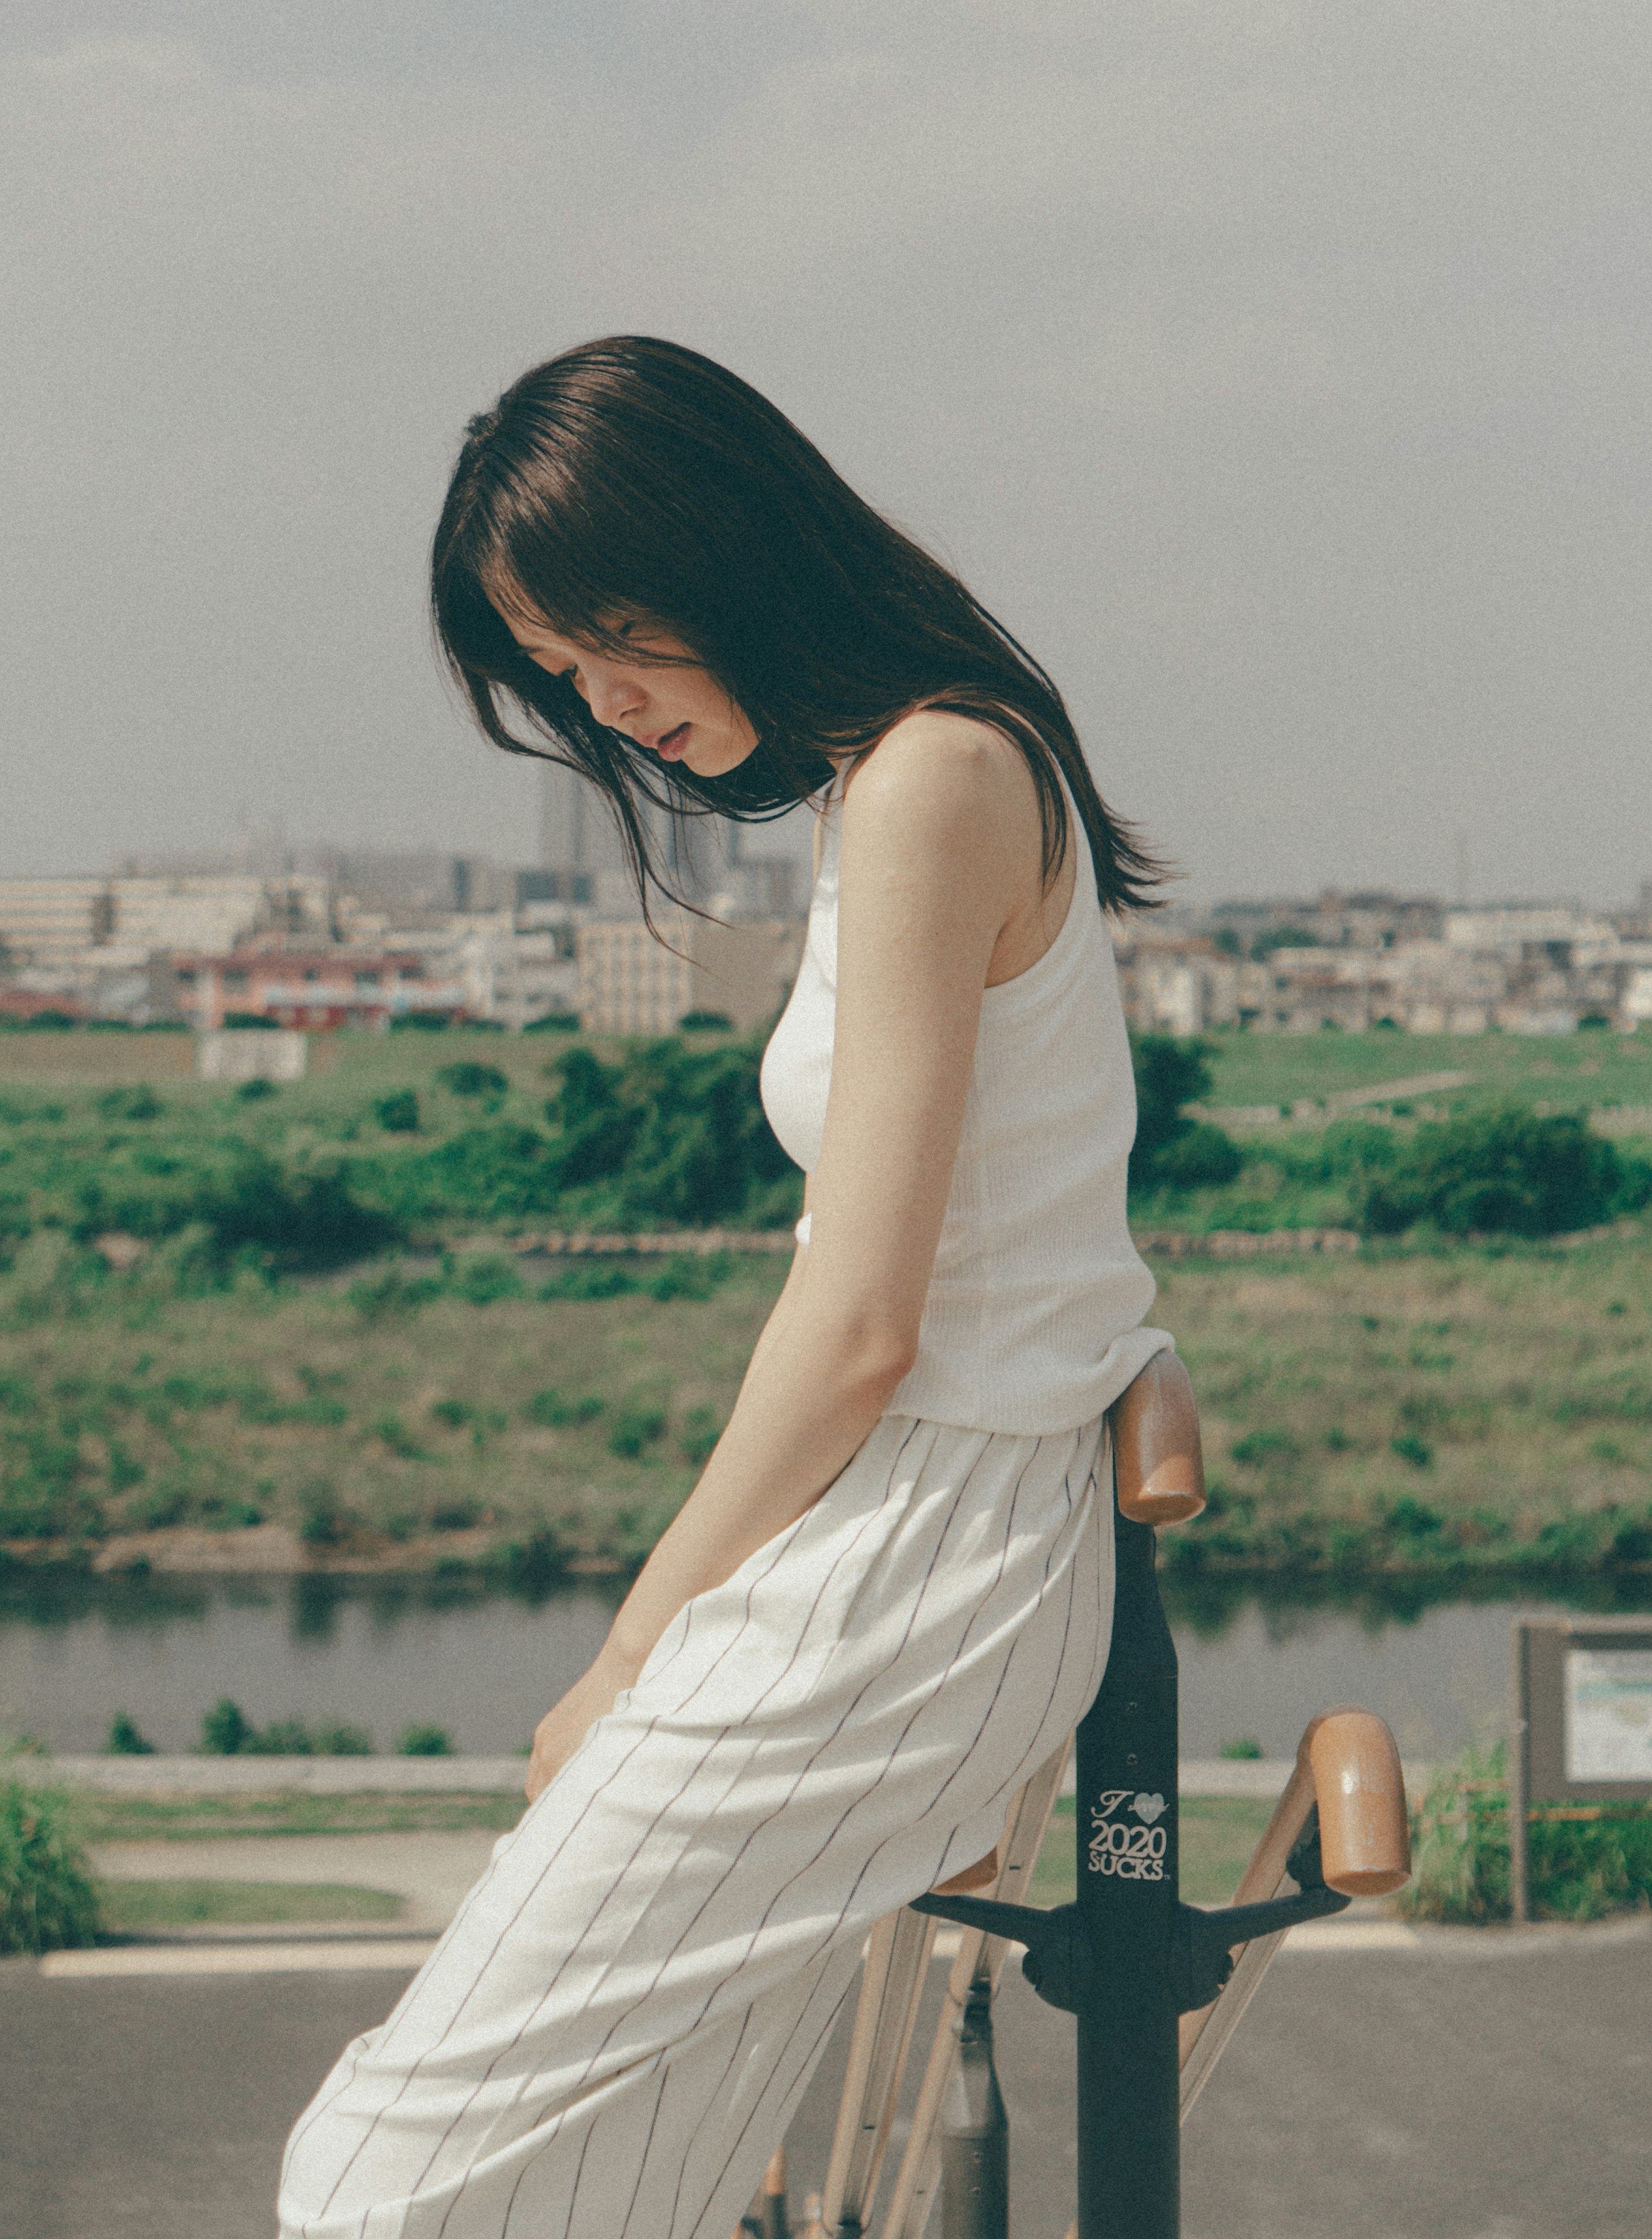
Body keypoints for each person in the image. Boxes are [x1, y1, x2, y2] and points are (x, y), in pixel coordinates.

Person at [279, 336, 1171, 2239]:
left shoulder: (935, 777)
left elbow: (860, 1325)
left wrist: (626, 1651)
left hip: (922, 1551)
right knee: (619, 2178)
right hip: (920, 1543)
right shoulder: (910, 773)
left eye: (612, 638)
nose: (606, 704)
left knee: (385, 2185)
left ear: (730, 549)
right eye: (559, 676)